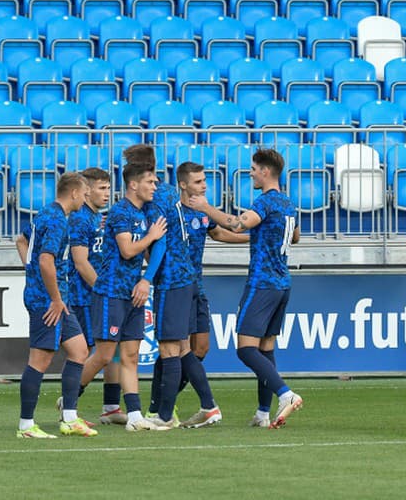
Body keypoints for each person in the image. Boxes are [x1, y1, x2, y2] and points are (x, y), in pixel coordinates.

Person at [189, 148, 302, 429]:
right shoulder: (288, 203)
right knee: (266, 348)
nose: (250, 173)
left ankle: (286, 394)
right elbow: (295, 236)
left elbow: (237, 224)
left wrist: (206, 208)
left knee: (245, 349)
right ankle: (263, 414)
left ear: (265, 171)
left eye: (253, 168)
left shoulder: (265, 202)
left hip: (262, 282)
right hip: (282, 283)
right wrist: (263, 238)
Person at [120, 146, 221, 431]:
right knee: (183, 347)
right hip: (189, 278)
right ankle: (207, 405)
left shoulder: (153, 199)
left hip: (171, 280)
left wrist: (148, 277)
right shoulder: (166, 193)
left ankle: (165, 415)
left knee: (168, 349)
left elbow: (160, 242)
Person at [76, 159, 167, 432]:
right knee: (104, 355)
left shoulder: (141, 213)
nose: (155, 186)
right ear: (133, 185)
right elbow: (127, 251)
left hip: (132, 295)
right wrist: (151, 237)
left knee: (130, 356)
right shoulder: (120, 213)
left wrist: (145, 279)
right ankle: (69, 400)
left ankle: (135, 416)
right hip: (111, 293)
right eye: (150, 182)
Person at [14, 172, 97, 439]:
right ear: (73, 193)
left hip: (54, 297)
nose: (85, 199)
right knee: (40, 360)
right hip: (48, 301)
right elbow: (46, 261)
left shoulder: (47, 213)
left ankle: (70, 418)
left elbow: (22, 240)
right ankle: (26, 425)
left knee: (79, 350)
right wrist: (54, 298)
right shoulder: (57, 220)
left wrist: (32, 275)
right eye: (84, 194)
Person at [175, 161, 249, 428]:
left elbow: (218, 233)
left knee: (200, 349)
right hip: (176, 288)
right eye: (197, 182)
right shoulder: (173, 212)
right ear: (183, 184)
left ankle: (167, 399)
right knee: (175, 349)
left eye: (205, 180)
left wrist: (253, 239)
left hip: (198, 286)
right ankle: (166, 405)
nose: (204, 185)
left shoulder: (203, 212)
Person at [67, 167, 126, 425]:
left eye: (108, 188)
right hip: (83, 296)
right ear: (86, 190)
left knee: (112, 349)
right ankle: (68, 402)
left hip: (97, 293)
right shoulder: (80, 219)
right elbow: (81, 262)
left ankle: (111, 407)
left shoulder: (97, 218)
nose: (107, 194)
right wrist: (103, 290)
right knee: (88, 352)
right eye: (101, 188)